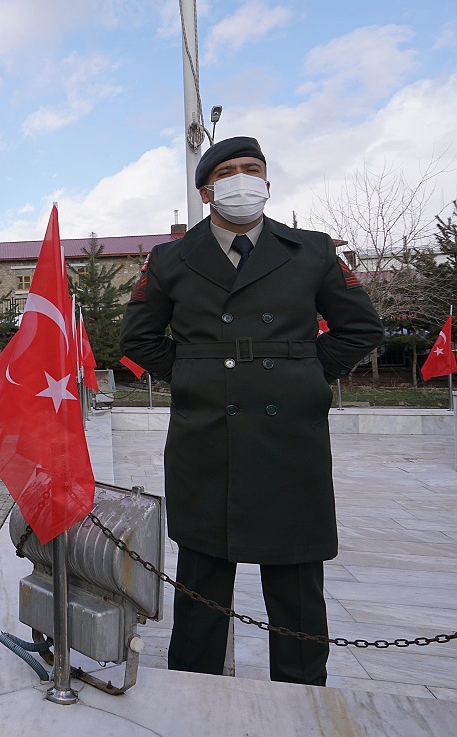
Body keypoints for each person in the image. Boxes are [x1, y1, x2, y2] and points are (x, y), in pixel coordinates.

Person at [120, 136, 383, 686]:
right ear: (207, 189)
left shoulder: (311, 250)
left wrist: (305, 375)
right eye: (231, 170)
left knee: (296, 592)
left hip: (290, 439)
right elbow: (140, 341)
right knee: (201, 588)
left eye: (253, 169)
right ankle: (193, 701)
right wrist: (195, 375)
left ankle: (304, 704)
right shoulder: (171, 258)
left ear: (267, 183)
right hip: (206, 437)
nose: (244, 178)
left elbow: (361, 329)